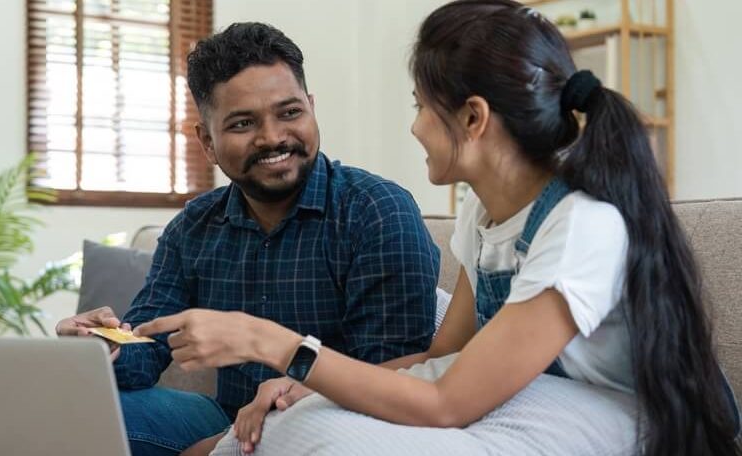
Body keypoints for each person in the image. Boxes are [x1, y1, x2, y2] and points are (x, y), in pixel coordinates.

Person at [134, 1, 742, 454]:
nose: (416, 127)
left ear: (472, 118)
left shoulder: (582, 226)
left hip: (637, 419)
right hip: (538, 396)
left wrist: (274, 345)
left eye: (421, 106)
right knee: (296, 425)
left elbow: (449, 400)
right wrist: (302, 385)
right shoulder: (484, 213)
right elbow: (445, 357)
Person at [55, 22, 442, 456]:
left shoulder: (376, 211)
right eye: (243, 123)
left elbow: (394, 376)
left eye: (290, 112)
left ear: (311, 108)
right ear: (207, 141)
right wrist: (101, 350)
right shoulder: (194, 226)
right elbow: (147, 346)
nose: (273, 137)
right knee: (67, 412)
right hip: (227, 419)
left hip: (334, 420)